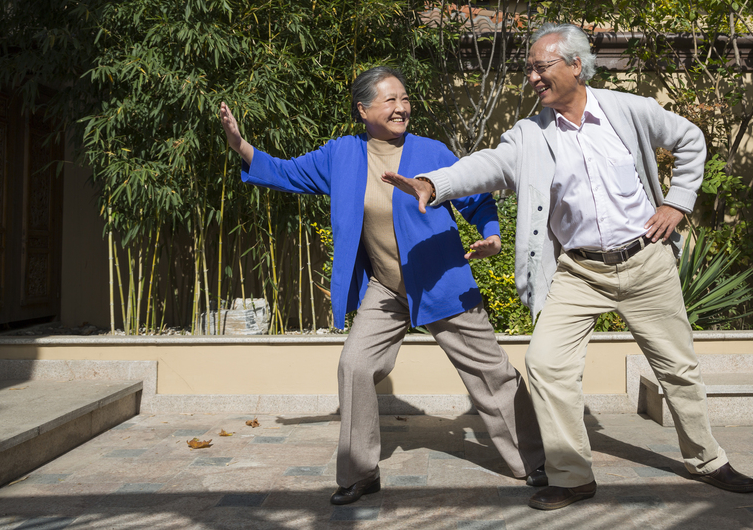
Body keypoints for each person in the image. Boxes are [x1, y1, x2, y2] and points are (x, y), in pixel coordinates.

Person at [384, 24, 753, 510]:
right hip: (579, 272)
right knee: (545, 363)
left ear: (575, 65)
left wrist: (679, 203)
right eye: (530, 70)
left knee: (678, 368)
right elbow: (488, 165)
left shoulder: (629, 111)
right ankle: (572, 475)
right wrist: (435, 184)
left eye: (542, 67)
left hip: (646, 263)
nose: (534, 77)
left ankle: (706, 460)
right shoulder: (530, 135)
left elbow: (689, 140)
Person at [218, 66, 545, 506]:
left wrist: (491, 232)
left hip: (440, 281)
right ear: (364, 109)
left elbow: (475, 196)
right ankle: (360, 473)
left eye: (405, 99)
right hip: (387, 289)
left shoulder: (431, 150)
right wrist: (239, 145)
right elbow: (286, 172)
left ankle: (535, 461)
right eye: (390, 100)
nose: (402, 107)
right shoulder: (342, 155)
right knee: (354, 366)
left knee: (492, 374)